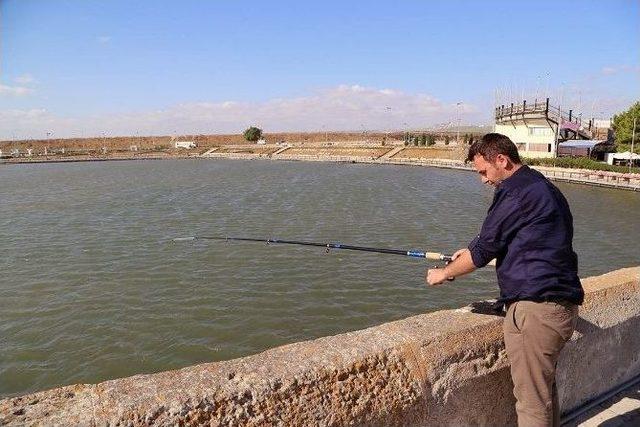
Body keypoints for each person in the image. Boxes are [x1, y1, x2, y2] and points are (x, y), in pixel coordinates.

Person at [426, 133, 584, 427]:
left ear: (502, 160)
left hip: (536, 309)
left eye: (484, 172)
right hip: (561, 305)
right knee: (543, 393)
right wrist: (470, 252)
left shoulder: (514, 192)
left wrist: (444, 273)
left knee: (532, 404)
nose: (483, 180)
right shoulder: (540, 185)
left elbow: (485, 248)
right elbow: (529, 243)